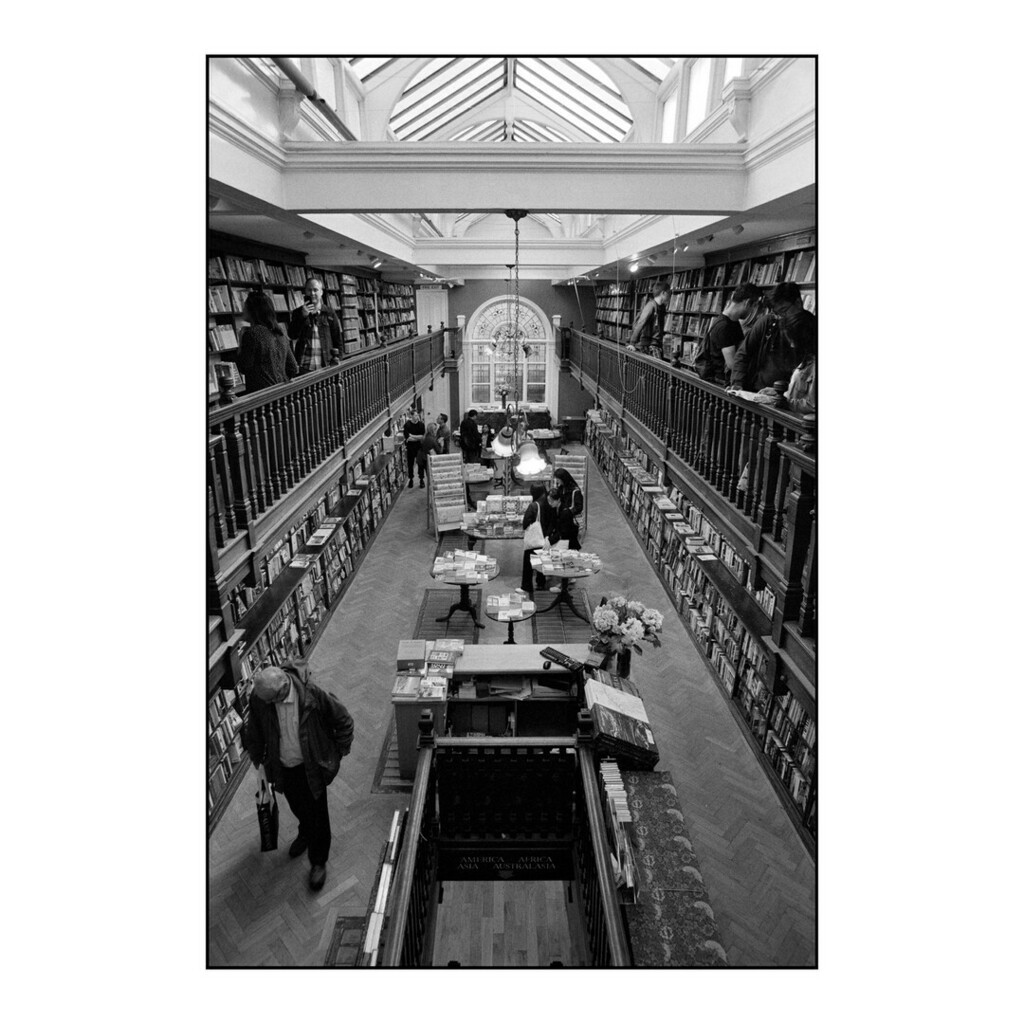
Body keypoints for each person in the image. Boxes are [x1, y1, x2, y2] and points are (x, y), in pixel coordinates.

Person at [241, 662, 354, 892]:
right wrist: (258, 761)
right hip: (283, 768)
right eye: (266, 701)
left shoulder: (312, 695)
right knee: (297, 805)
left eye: (273, 699)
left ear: (284, 686)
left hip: (312, 766)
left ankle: (318, 862)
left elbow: (343, 720)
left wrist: (338, 752)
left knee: (319, 815)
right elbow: (255, 730)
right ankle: (305, 830)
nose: (269, 704)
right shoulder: (262, 698)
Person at [730, 282, 816, 393]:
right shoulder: (768, 322)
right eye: (777, 312)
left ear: (798, 303)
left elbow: (810, 374)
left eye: (784, 311)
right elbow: (743, 354)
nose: (780, 317)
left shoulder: (812, 327)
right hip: (756, 392)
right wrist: (737, 383)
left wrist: (784, 391)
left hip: (790, 398)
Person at [693, 283, 762, 385]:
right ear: (747, 302)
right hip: (720, 383)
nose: (752, 311)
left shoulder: (732, 322)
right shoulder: (724, 326)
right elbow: (733, 364)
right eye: (754, 306)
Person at [236, 290, 298, 393]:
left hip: (262, 397)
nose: (243, 310)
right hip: (282, 394)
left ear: (253, 310)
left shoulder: (252, 333)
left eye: (245, 306)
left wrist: (241, 341)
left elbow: (244, 367)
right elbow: (293, 368)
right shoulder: (280, 333)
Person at [287, 276, 342, 373]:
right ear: (305, 292)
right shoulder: (297, 313)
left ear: (321, 292)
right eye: (309, 290)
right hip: (304, 366)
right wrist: (303, 316)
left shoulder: (330, 313)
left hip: (326, 365)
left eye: (315, 290)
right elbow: (292, 335)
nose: (312, 293)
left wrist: (339, 362)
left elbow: (337, 339)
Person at [521, 483, 553, 596]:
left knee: (528, 563)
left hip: (534, 539)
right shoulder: (548, 503)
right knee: (541, 561)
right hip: (544, 537)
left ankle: (527, 586)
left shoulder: (534, 506)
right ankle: (541, 583)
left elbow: (525, 524)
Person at [627, 279, 671, 356]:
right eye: (669, 292)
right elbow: (641, 323)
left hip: (655, 344)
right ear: (663, 293)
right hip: (648, 345)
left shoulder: (661, 307)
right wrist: (632, 343)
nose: (670, 295)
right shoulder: (651, 306)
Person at [550, 467, 584, 550]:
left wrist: (567, 512)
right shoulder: (561, 488)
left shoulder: (575, 491)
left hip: (571, 521)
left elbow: (579, 507)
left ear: (563, 479)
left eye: (558, 479)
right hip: (563, 521)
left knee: (571, 543)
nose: (557, 481)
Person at [402, 410, 425, 487]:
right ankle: (411, 479)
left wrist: (412, 436)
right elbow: (408, 438)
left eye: (417, 415)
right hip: (410, 448)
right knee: (410, 464)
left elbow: (422, 437)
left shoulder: (421, 424)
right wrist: (416, 437)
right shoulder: (407, 425)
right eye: (415, 415)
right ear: (411, 416)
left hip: (419, 447)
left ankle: (421, 479)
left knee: (420, 464)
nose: (417, 417)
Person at [415, 422, 441, 488]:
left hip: (420, 456)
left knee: (421, 471)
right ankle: (430, 486)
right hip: (426, 458)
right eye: (435, 429)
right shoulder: (432, 439)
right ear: (433, 430)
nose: (436, 431)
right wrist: (441, 444)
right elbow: (439, 451)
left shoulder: (424, 436)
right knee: (429, 473)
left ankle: (421, 481)